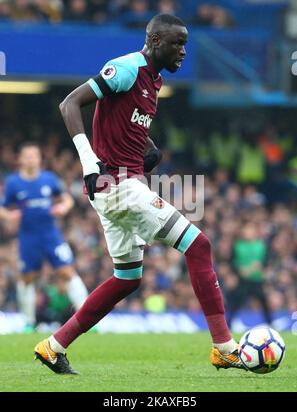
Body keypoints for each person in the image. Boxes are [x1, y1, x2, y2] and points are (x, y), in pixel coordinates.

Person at [34, 13, 246, 374]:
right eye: (178, 43)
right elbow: (69, 103)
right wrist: (88, 163)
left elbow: (120, 119)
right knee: (200, 246)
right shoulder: (128, 67)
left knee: (126, 279)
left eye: (186, 44)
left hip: (120, 185)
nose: (183, 51)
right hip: (116, 186)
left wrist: (147, 148)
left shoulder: (155, 80)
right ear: (156, 41)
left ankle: (53, 346)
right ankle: (224, 347)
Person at [0, 142, 88, 331]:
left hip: (50, 235)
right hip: (28, 237)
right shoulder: (14, 183)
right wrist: (9, 215)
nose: (31, 159)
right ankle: (29, 322)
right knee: (27, 278)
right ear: (21, 160)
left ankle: (87, 319)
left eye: (35, 156)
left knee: (67, 272)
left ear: (40, 159)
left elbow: (67, 199)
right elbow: (2, 208)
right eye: (28, 156)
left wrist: (64, 206)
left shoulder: (48, 179)